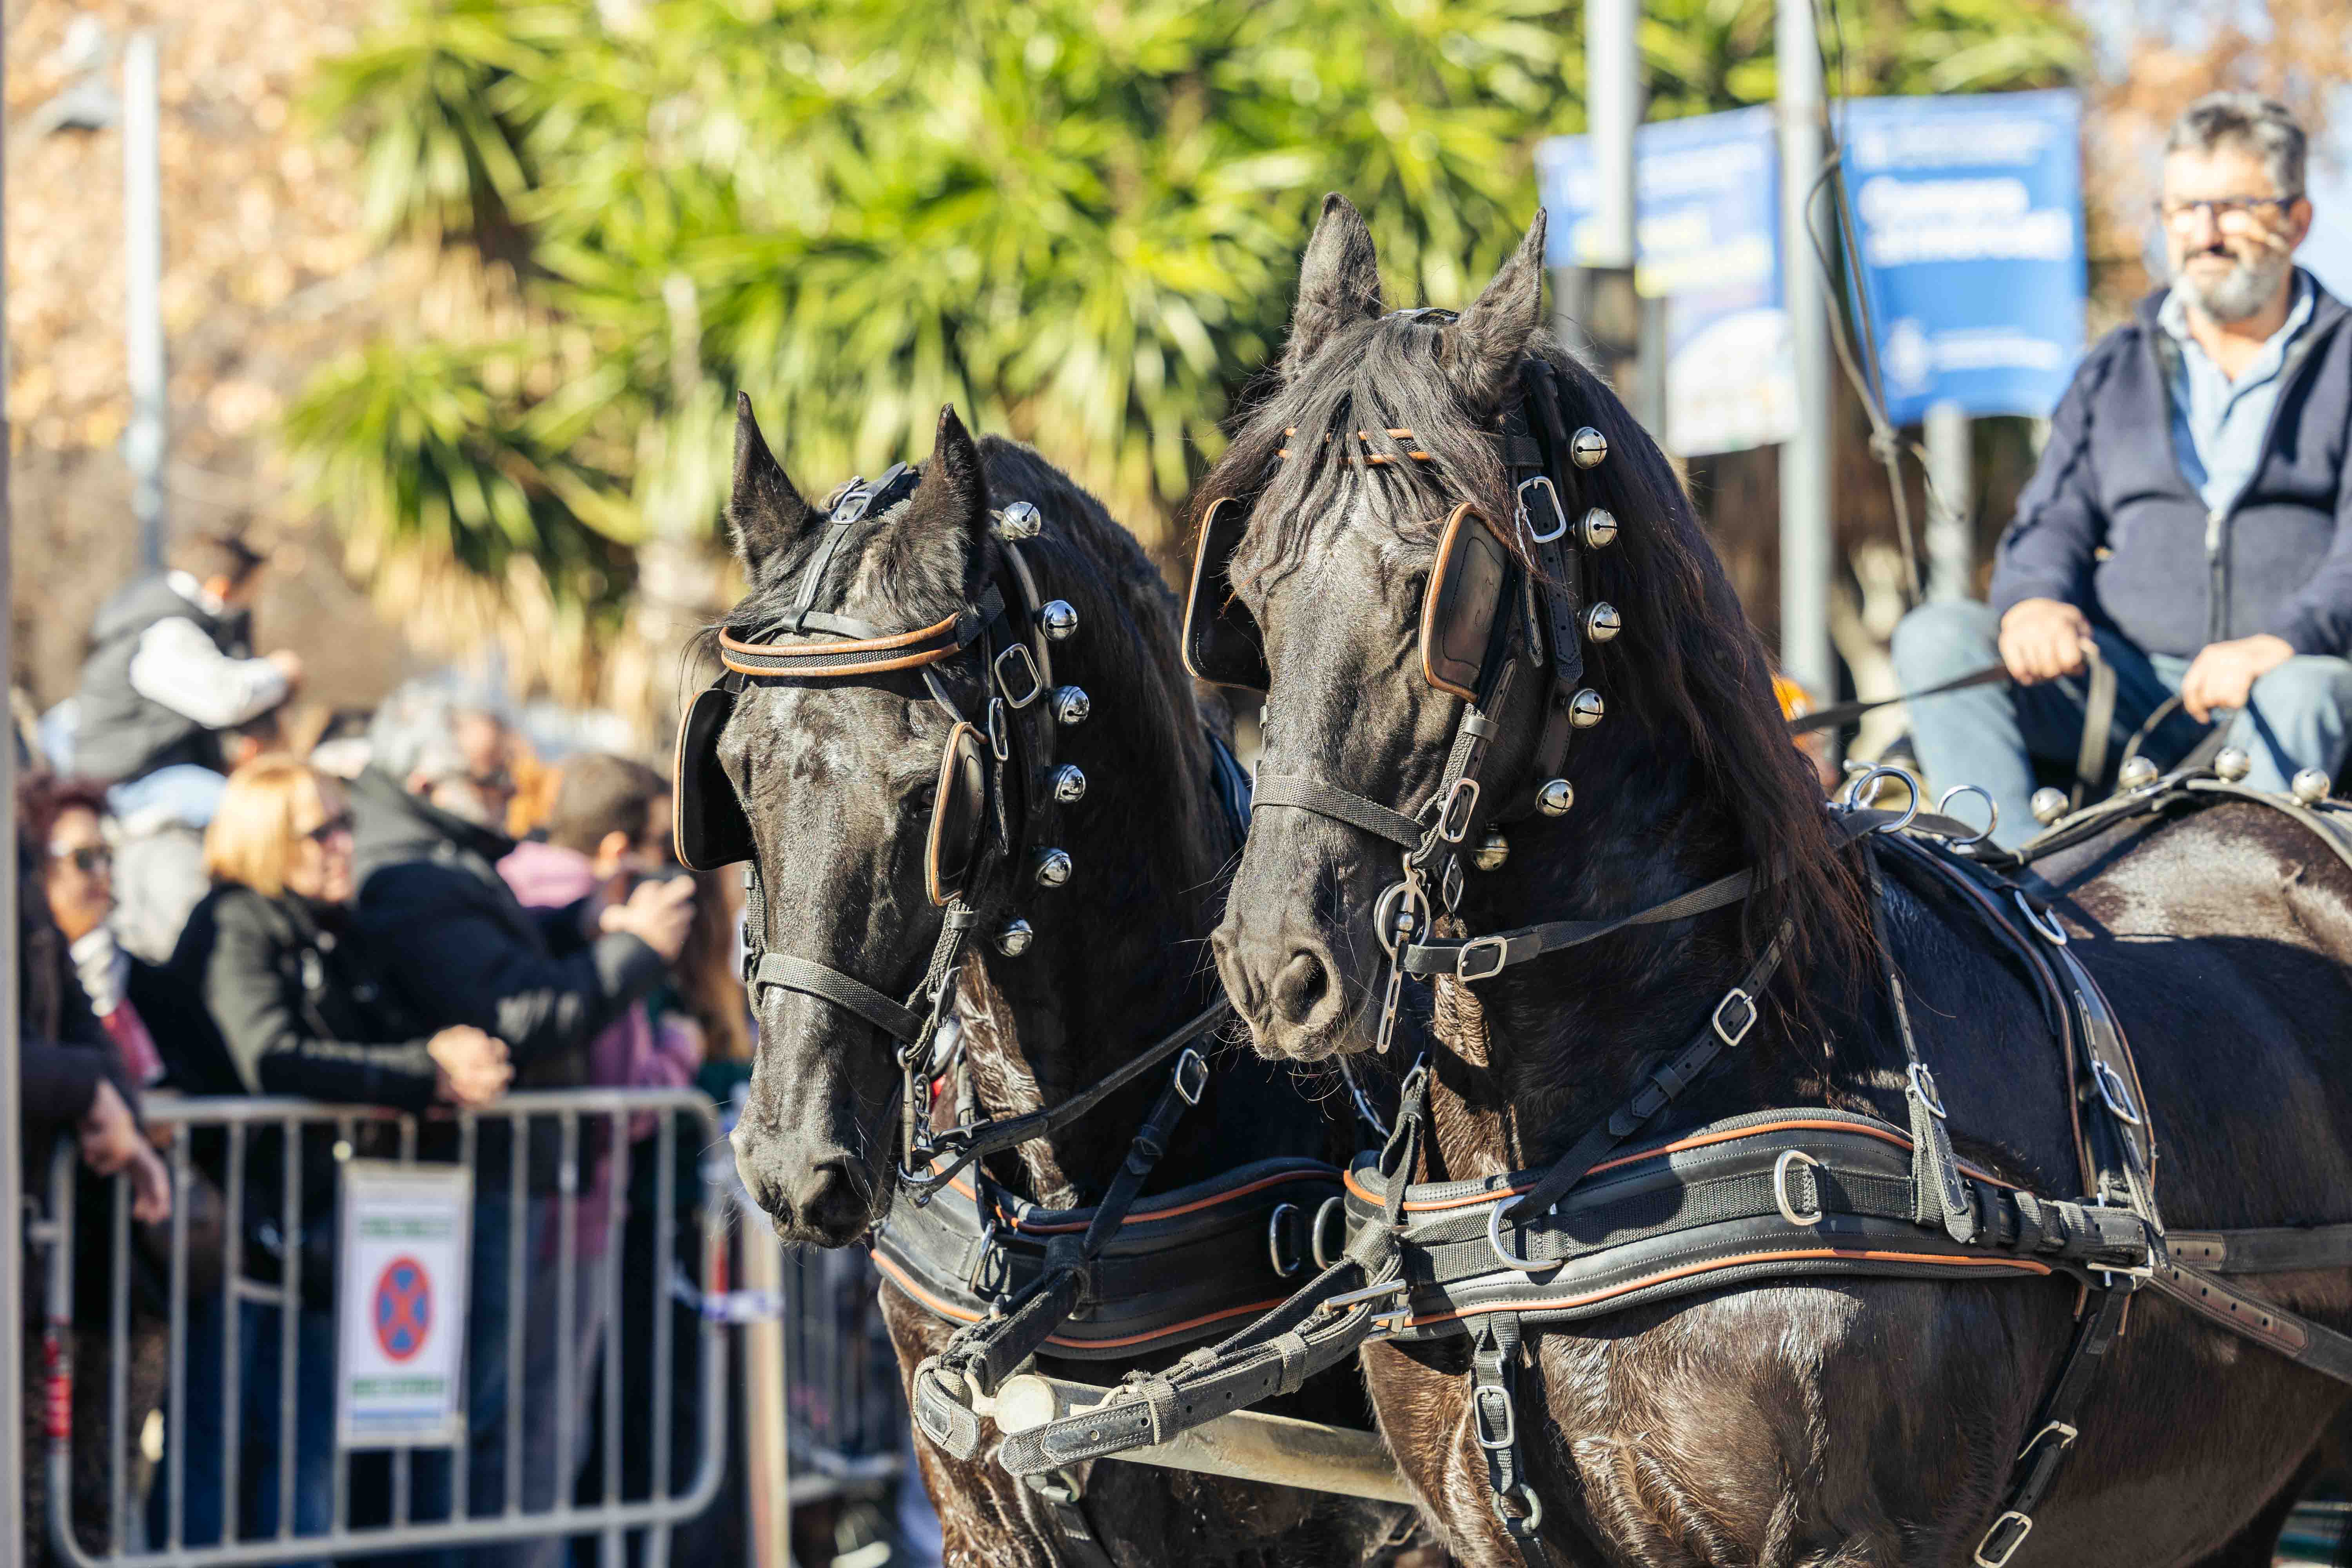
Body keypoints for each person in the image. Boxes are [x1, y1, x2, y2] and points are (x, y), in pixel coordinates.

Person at [1892, 93, 2352, 849]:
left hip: (2283, 695)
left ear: (2297, 222)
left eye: (2234, 207)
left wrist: (2281, 642)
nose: (2204, 233)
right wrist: (2035, 602)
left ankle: (2247, 938)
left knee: (2308, 689)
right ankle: (2008, 899)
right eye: (2182, 209)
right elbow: (2053, 520)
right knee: (1937, 637)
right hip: (2126, 692)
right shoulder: (2113, 367)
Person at [350, 697, 694, 1562]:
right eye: (495, 778)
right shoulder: (409, 873)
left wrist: (582, 926)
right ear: (429, 781)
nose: (513, 794)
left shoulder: (445, 861)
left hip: (504, 1180)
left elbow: (499, 954)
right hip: (467, 1182)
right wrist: (636, 951)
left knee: (495, 1419)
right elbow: (517, 1006)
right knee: (472, 1425)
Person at [161, 755, 512, 1558]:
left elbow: (375, 1035)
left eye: (345, 822)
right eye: (319, 829)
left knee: (302, 1466)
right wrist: (426, 1071)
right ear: (266, 839)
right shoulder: (237, 921)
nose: (342, 843)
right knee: (218, 1463)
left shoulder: (334, 927)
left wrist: (445, 1056)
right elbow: (270, 1056)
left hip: (319, 1236)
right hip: (241, 1235)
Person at [496, 755, 702, 1564]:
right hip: (567, 1205)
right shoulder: (591, 910)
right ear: (621, 847)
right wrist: (682, 1050)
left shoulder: (510, 879)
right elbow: (630, 1095)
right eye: (659, 842)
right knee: (541, 1432)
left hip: (529, 1195)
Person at [19, 815, 170, 1568]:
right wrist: (87, 1091)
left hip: (96, 1275)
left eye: (109, 856)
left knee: (86, 1513)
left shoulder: (105, 963)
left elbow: (101, 1050)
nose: (100, 874)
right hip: (55, 1259)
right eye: (83, 857)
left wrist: (120, 1115)